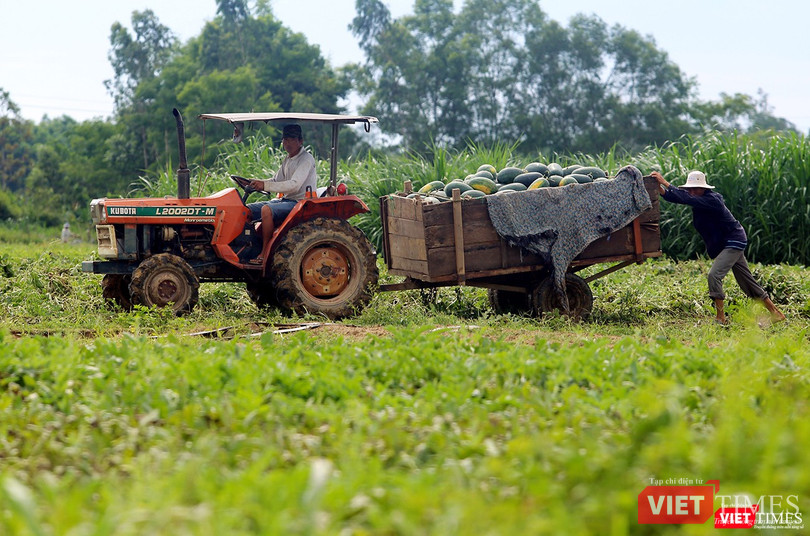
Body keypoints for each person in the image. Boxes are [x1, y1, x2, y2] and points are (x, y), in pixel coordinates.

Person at [651, 170, 785, 325]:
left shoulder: (713, 200)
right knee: (747, 282)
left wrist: (665, 182)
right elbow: (679, 197)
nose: (692, 192)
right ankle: (776, 314)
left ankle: (720, 318)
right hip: (725, 243)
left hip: (733, 241)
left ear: (704, 189)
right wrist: (659, 189)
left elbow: (685, 197)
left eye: (695, 188)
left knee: (714, 275)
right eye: (690, 189)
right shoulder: (697, 199)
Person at [247, 124, 317, 248]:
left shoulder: (305, 159)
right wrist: (254, 182)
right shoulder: (288, 159)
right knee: (247, 210)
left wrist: (265, 186)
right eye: (285, 139)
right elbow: (275, 180)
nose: (287, 143)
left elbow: (294, 185)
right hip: (286, 200)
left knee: (266, 209)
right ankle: (248, 245)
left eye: (291, 139)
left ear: (300, 141)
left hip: (299, 203)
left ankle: (265, 251)